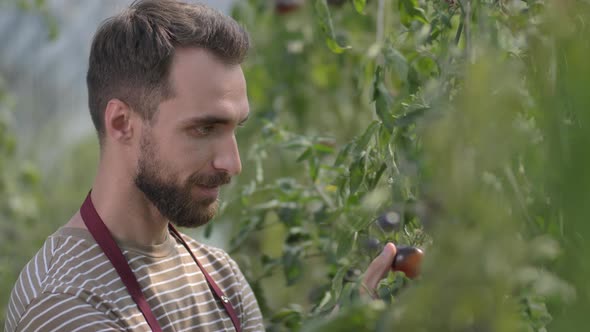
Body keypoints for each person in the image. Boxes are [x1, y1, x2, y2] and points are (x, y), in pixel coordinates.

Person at [4, 0, 399, 331]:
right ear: (122, 123)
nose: (232, 163)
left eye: (233, 128)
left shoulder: (218, 274)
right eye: (204, 128)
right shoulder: (66, 302)